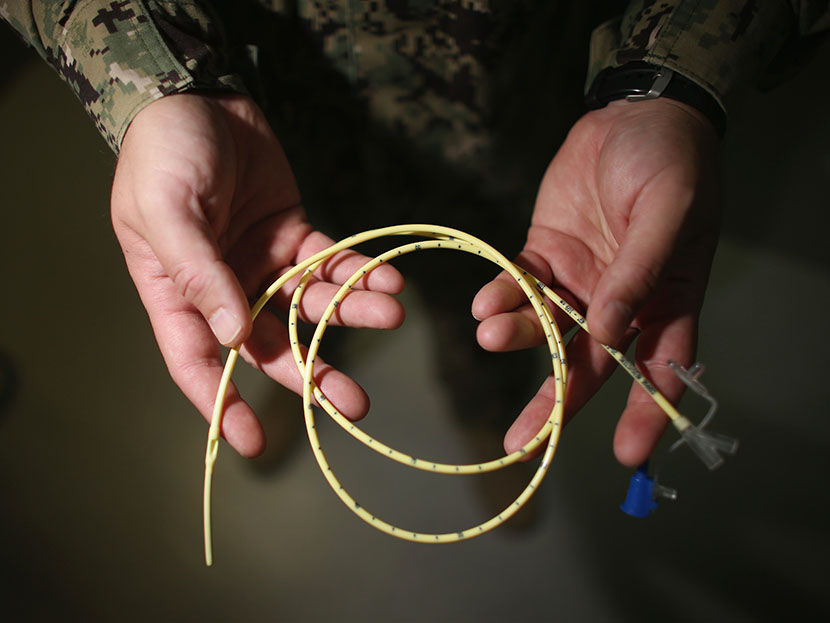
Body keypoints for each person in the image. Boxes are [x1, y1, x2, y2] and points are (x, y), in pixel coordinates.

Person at [2, 1, 826, 466]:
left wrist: (671, 76)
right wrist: (151, 78)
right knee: (297, 294)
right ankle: (308, 380)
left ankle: (483, 414)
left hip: (528, 143)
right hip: (272, 137)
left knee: (508, 311)